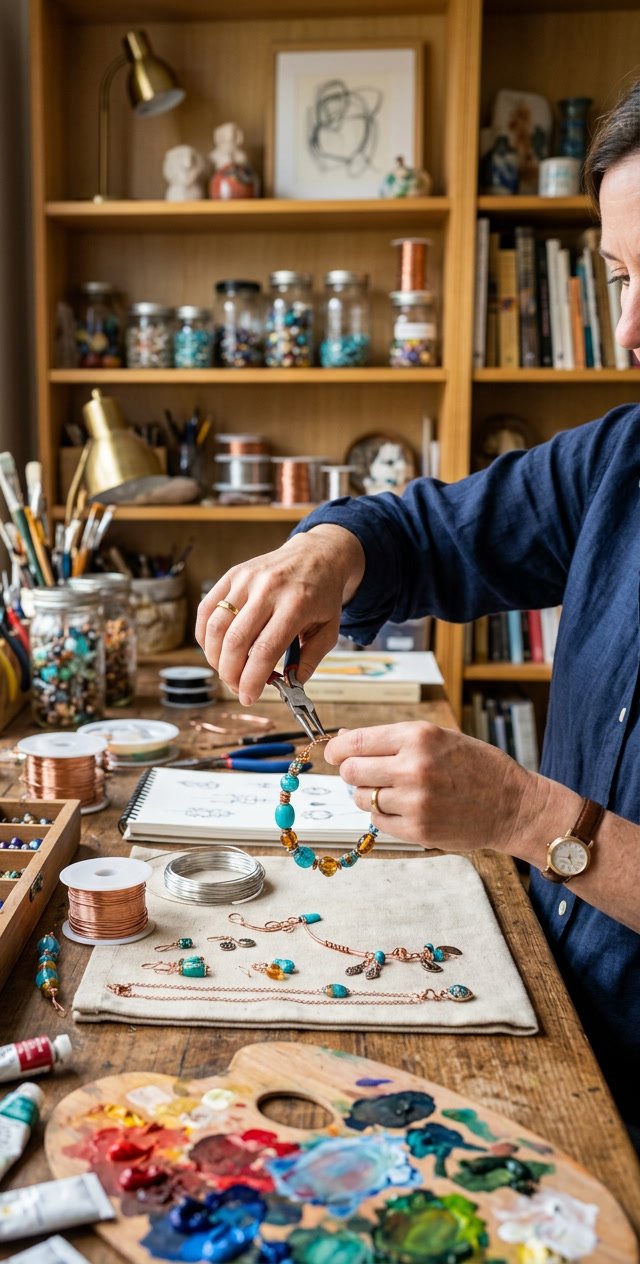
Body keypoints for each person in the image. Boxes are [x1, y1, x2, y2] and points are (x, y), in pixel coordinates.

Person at [196, 81, 640, 1143]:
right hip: (542, 999)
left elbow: (537, 825)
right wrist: (326, 552)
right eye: (619, 277)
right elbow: (433, 533)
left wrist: (527, 818)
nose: (626, 332)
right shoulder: (620, 456)